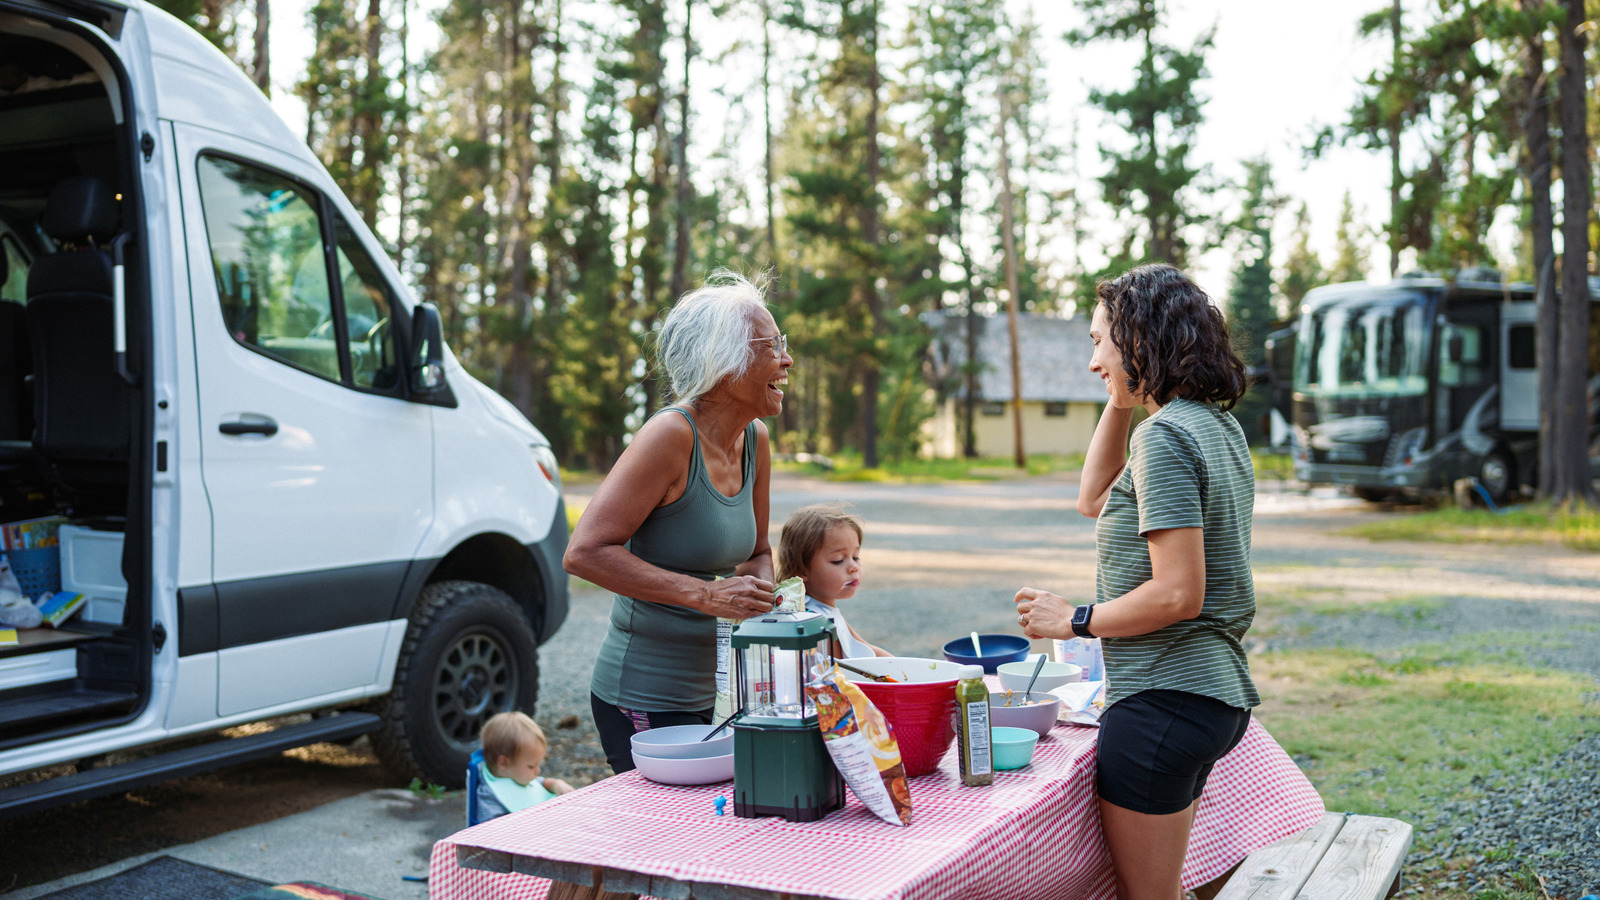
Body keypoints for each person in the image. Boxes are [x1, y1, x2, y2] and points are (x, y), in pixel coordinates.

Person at [1013, 263, 1258, 900]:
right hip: (1207, 694)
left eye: (1100, 342)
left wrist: (1074, 620)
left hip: (1164, 699)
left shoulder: (1168, 436)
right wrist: (1122, 397)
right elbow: (1096, 497)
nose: (1093, 361)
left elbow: (1179, 593)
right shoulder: (1213, 426)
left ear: (1140, 340)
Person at [564, 270, 791, 774]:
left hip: (717, 693)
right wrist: (708, 596)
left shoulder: (755, 439)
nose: (787, 358)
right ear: (726, 361)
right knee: (662, 841)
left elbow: (755, 552)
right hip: (644, 693)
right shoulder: (669, 437)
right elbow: (584, 553)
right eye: (772, 345)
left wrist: (761, 599)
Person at [776, 504, 890, 659]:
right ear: (801, 570)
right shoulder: (811, 620)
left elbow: (869, 650)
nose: (853, 568)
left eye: (856, 557)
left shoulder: (828, 611)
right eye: (838, 560)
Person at [475, 711, 575, 821]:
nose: (538, 771)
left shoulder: (518, 776)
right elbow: (490, 832)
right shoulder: (490, 798)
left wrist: (555, 784)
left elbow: (538, 784)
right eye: (531, 766)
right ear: (503, 763)